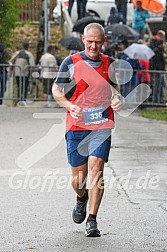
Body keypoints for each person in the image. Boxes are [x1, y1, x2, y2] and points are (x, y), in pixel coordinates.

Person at [52, 23, 121, 237]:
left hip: (101, 123)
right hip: (77, 126)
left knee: (97, 167)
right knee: (78, 179)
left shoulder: (109, 63)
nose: (93, 46)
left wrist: (117, 97)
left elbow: (114, 87)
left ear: (103, 42)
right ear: (83, 40)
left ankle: (92, 220)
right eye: (90, 42)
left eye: (97, 42)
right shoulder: (70, 62)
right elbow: (56, 89)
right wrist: (69, 105)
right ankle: (81, 197)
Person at [9, 42, 35, 106]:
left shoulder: (16, 53)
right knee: (25, 86)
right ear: (28, 47)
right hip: (25, 73)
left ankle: (18, 98)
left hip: (17, 73)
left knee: (18, 86)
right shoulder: (29, 54)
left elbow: (11, 61)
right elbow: (32, 65)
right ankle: (23, 99)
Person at [150, 39, 166, 104]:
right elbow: (157, 62)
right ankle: (157, 99)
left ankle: (160, 98)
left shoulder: (160, 51)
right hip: (159, 70)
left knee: (162, 85)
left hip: (161, 70)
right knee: (158, 85)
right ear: (161, 44)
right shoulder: (157, 51)